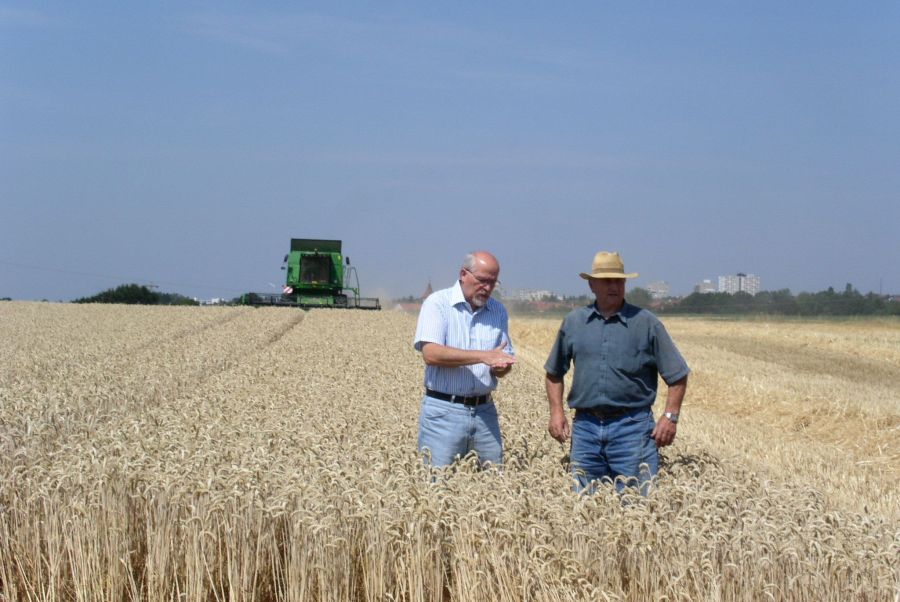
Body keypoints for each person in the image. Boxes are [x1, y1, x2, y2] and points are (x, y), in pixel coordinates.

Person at [544, 251, 689, 494]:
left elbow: (678, 375)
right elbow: (554, 373)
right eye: (606, 281)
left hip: (632, 427)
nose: (614, 286)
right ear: (592, 285)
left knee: (637, 508)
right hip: (586, 428)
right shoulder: (574, 322)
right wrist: (556, 412)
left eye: (619, 281)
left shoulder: (646, 323)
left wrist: (670, 416)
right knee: (584, 507)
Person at [414, 251, 516, 468]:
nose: (488, 288)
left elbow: (501, 359)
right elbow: (431, 354)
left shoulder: (498, 311)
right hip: (443, 412)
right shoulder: (437, 304)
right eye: (483, 281)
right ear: (463, 274)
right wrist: (484, 356)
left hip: (485, 412)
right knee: (437, 487)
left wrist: (501, 367)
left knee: (494, 487)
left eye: (493, 282)